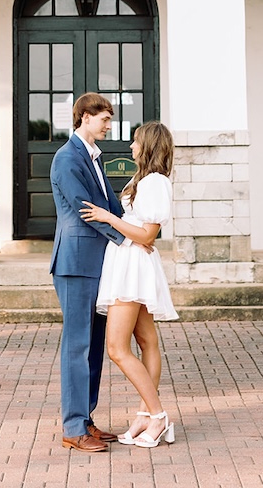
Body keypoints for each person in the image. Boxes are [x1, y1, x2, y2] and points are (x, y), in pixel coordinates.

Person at [79, 120, 179, 449]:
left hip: (133, 266)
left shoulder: (155, 182)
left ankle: (159, 415)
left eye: (136, 142)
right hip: (128, 262)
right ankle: (146, 415)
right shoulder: (143, 180)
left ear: (148, 146)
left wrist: (109, 218)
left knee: (116, 348)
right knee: (146, 340)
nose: (131, 147)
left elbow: (149, 235)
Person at [49, 92, 128, 453]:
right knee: (78, 345)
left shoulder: (95, 157)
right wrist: (125, 240)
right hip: (76, 263)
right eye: (104, 119)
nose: (109, 125)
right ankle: (72, 427)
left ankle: (87, 420)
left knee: (95, 345)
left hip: (99, 263)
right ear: (84, 118)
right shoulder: (67, 158)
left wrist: (135, 228)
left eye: (110, 119)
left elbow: (110, 206)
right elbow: (85, 208)